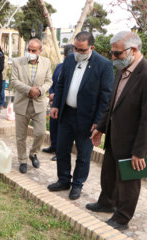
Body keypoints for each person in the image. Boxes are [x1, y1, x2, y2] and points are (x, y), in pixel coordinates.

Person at [86, 31, 147, 230]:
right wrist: (101, 128)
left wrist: (140, 151)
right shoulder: (122, 70)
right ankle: (106, 202)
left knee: (128, 181)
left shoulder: (145, 74)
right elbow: (111, 104)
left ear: (134, 50)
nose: (113, 57)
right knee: (109, 173)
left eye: (117, 53)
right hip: (114, 135)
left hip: (133, 142)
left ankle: (122, 218)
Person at [48, 31, 114, 200]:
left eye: (82, 50)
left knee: (83, 155)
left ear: (91, 48)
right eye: (76, 48)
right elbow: (61, 83)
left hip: (87, 119)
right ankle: (63, 180)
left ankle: (77, 184)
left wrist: (98, 121)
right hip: (66, 113)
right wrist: (56, 105)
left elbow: (106, 96)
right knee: (62, 150)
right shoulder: (70, 59)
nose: (78, 52)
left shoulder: (103, 65)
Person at [10, 38, 53, 173]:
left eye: (33, 50)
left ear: (40, 51)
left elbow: (48, 81)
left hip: (39, 104)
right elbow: (14, 81)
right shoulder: (18, 62)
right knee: (21, 136)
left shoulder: (46, 62)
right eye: (28, 49)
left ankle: (33, 153)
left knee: (40, 133)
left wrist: (40, 90)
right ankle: (22, 160)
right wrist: (29, 90)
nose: (30, 52)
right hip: (22, 103)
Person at [43, 44, 74, 161]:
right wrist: (51, 94)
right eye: (67, 56)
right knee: (53, 126)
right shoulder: (59, 67)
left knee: (63, 131)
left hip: (65, 105)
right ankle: (54, 146)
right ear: (64, 55)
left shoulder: (75, 69)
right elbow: (53, 82)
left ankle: (61, 152)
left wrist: (57, 97)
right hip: (54, 103)